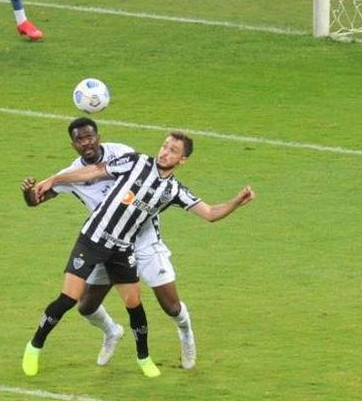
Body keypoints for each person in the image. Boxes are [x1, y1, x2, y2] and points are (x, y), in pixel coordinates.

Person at [23, 132, 255, 378]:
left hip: (127, 247)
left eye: (173, 150)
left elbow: (209, 212)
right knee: (79, 303)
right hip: (94, 240)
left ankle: (163, 347)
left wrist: (236, 202)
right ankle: (43, 345)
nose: (165, 152)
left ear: (182, 160)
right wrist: (55, 179)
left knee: (157, 306)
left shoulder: (173, 190)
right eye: (164, 145)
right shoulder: (136, 161)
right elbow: (94, 172)